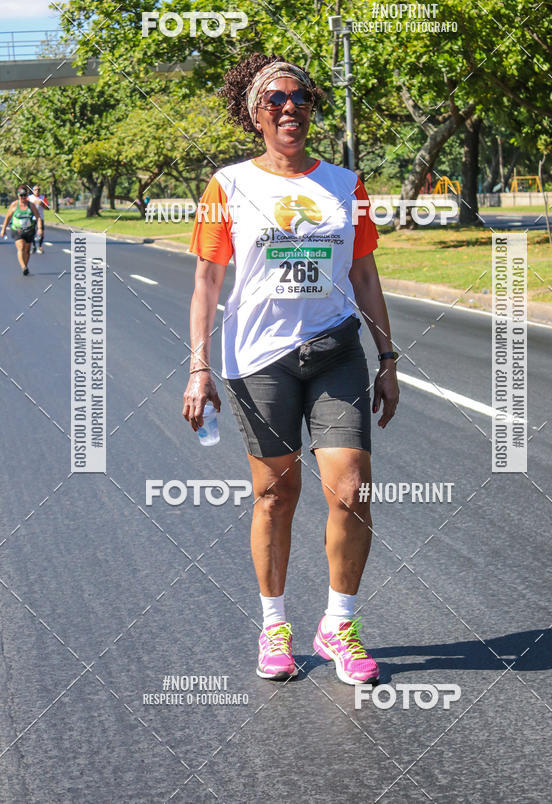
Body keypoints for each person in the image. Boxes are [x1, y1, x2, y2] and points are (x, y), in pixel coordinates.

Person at [182, 53, 399, 686]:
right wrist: (199, 368)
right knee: (277, 493)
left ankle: (340, 622)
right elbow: (206, 281)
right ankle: (274, 622)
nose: (289, 108)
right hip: (257, 361)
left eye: (300, 97)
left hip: (334, 348)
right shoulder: (228, 186)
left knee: (350, 488)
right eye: (275, 99)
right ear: (254, 113)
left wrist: (387, 357)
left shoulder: (345, 185)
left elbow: (363, 273)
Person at [1, 186, 43, 275]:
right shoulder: (14, 205)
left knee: (27, 250)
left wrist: (39, 228)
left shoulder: (30, 205)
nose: (23, 197)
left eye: (25, 195)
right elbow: (8, 218)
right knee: (21, 247)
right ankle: (23, 267)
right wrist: (3, 229)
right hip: (17, 230)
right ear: (18, 196)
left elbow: (38, 217)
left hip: (29, 230)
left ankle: (25, 266)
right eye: (21, 195)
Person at [28, 184, 49, 253]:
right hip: (31, 218)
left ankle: (40, 246)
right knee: (32, 233)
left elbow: (48, 208)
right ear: (32, 191)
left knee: (41, 232)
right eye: (35, 190)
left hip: (40, 217)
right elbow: (25, 207)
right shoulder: (29, 198)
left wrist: (42, 204)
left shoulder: (43, 197)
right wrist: (32, 204)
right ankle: (33, 246)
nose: (37, 191)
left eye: (38, 190)